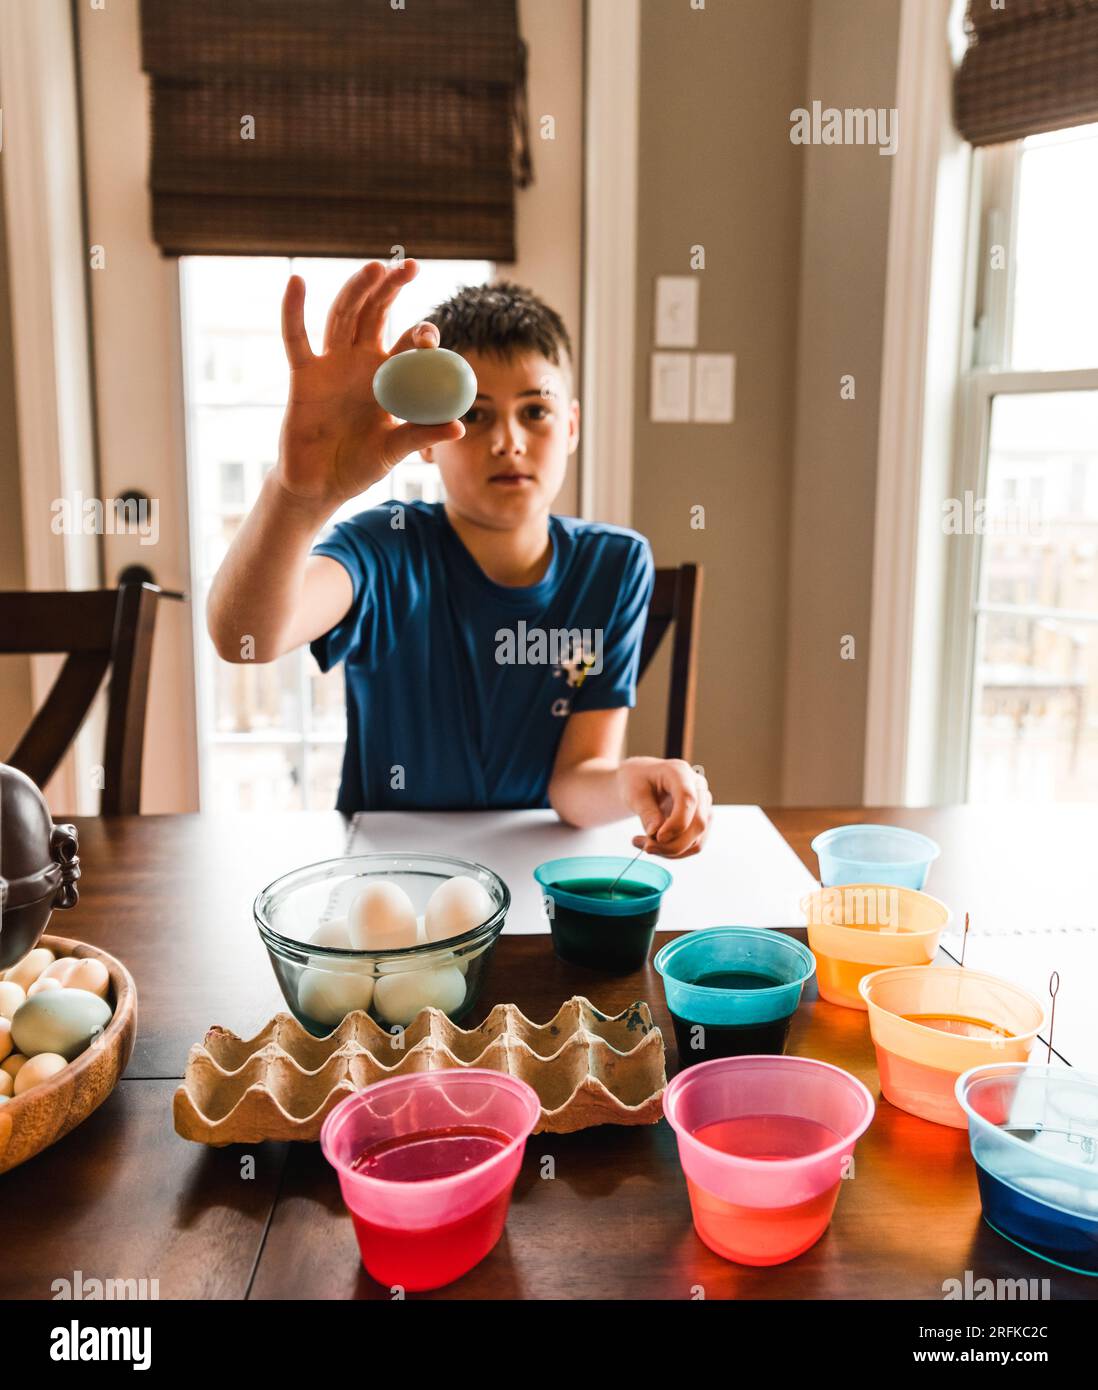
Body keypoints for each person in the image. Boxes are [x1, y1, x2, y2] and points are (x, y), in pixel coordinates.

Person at [207, 259, 711, 859]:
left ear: (571, 426)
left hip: (533, 872)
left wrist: (630, 780)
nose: (508, 441)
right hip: (390, 874)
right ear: (427, 436)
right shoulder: (384, 547)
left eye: (535, 411)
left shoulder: (614, 567)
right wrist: (298, 494)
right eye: (474, 415)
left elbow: (575, 783)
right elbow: (247, 638)